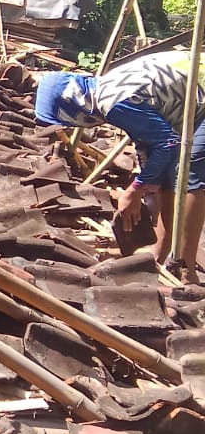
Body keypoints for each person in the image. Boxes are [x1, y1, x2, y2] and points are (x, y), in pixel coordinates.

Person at [34, 50, 205, 282]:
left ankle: (185, 271)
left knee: (187, 173)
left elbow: (168, 143)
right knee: (171, 176)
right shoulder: (105, 91)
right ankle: (159, 257)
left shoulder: (112, 103)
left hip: (200, 95)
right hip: (193, 100)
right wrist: (148, 189)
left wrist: (135, 190)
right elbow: (148, 142)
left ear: (70, 104)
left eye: (65, 118)